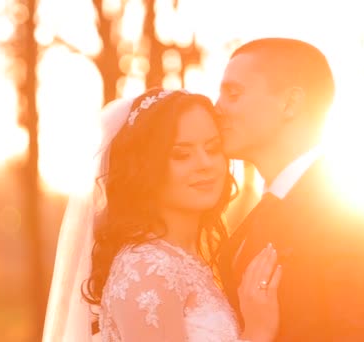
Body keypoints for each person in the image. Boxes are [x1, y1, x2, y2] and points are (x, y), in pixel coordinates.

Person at [216, 37, 364, 341]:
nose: (218, 110)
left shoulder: (363, 221)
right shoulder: (254, 218)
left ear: (290, 103)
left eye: (233, 94)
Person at [43, 88, 281, 342]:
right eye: (182, 154)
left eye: (212, 149)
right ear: (147, 169)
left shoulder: (186, 259)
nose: (204, 163)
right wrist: (258, 332)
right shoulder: (147, 270)